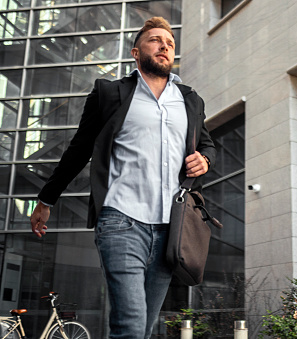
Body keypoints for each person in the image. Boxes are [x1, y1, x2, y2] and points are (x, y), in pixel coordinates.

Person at [29, 17, 216, 339]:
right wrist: (46, 199)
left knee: (142, 327)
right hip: (121, 219)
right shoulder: (109, 93)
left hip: (171, 228)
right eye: (156, 40)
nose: (164, 47)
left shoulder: (189, 99)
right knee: (129, 324)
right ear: (136, 51)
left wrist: (205, 159)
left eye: (170, 44)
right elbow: (78, 149)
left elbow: (206, 142)